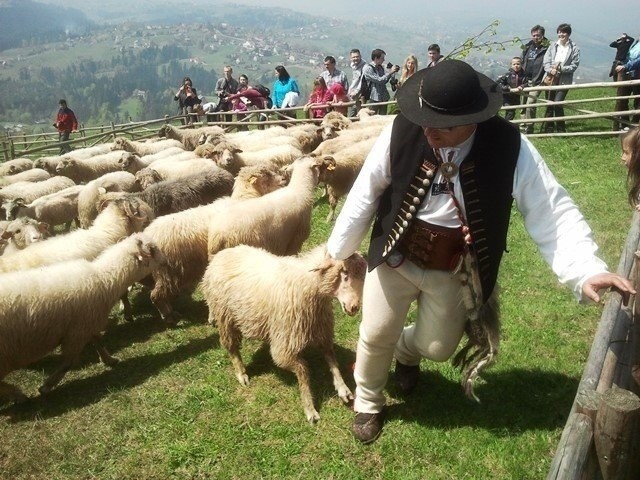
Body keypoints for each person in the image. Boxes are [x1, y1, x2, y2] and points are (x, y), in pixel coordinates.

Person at [325, 59, 635, 444]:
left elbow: (549, 207)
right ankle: (368, 402)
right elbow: (366, 191)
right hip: (396, 254)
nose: (430, 132)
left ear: (472, 120)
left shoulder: (508, 146)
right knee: (374, 334)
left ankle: (405, 353)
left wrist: (585, 269)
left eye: (444, 126)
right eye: (427, 121)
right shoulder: (402, 130)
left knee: (437, 348)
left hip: (454, 268)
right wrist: (340, 248)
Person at [542, 23, 580, 133]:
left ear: (568, 34)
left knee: (557, 103)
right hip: (550, 78)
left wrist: (561, 69)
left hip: (564, 80)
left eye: (563, 32)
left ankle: (560, 128)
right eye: (559, 32)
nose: (561, 34)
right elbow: (546, 61)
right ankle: (548, 128)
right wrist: (551, 70)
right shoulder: (553, 46)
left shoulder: (574, 48)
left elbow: (574, 65)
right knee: (549, 103)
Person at [521, 25, 550, 134]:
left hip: (538, 81)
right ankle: (523, 125)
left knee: (530, 103)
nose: (535, 37)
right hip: (526, 80)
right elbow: (523, 60)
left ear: (543, 35)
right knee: (523, 105)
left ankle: (529, 128)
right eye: (533, 35)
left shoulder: (548, 47)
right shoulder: (528, 46)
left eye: (538, 35)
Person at [614, 34, 640, 130]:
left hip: (637, 75)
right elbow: (629, 56)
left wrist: (626, 66)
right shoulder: (636, 43)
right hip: (628, 74)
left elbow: (638, 61)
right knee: (622, 100)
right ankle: (625, 124)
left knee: (638, 101)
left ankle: (634, 125)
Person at [362, 48, 400, 115]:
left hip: (384, 97)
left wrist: (392, 72)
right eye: (382, 58)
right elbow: (379, 80)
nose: (384, 60)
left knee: (383, 117)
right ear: (376, 58)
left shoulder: (380, 67)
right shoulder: (368, 68)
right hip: (374, 98)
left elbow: (384, 81)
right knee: (372, 118)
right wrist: (390, 72)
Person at [496, 57, 526, 121]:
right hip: (506, 96)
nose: (516, 66)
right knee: (509, 111)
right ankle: (504, 125)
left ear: (521, 65)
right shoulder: (507, 74)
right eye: (514, 64)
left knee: (511, 112)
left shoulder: (524, 75)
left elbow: (527, 83)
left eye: (518, 64)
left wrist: (522, 86)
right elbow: (498, 83)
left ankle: (506, 125)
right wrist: (506, 88)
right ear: (511, 65)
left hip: (516, 97)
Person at [348, 48, 367, 117]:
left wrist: (356, 92)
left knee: (360, 114)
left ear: (360, 56)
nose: (355, 58)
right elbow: (354, 80)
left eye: (357, 56)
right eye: (353, 57)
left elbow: (362, 82)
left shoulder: (364, 67)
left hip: (360, 95)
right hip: (352, 94)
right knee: (352, 114)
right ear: (350, 58)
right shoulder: (353, 66)